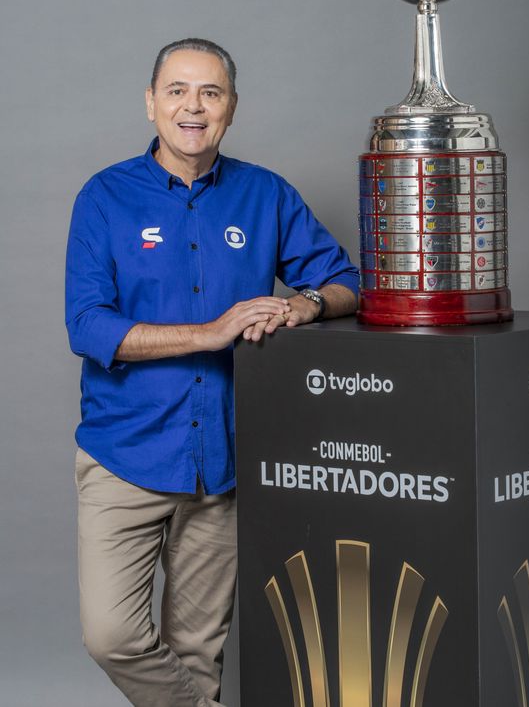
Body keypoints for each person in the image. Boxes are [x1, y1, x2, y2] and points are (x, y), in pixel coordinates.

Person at [65, 37, 359, 707]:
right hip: (124, 455)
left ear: (231, 108)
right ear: (150, 103)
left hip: (224, 458)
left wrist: (304, 304)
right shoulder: (105, 197)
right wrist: (212, 331)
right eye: (176, 90)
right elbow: (88, 325)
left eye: (210, 92)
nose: (192, 107)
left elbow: (346, 281)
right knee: (113, 634)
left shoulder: (265, 194)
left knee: (199, 649)